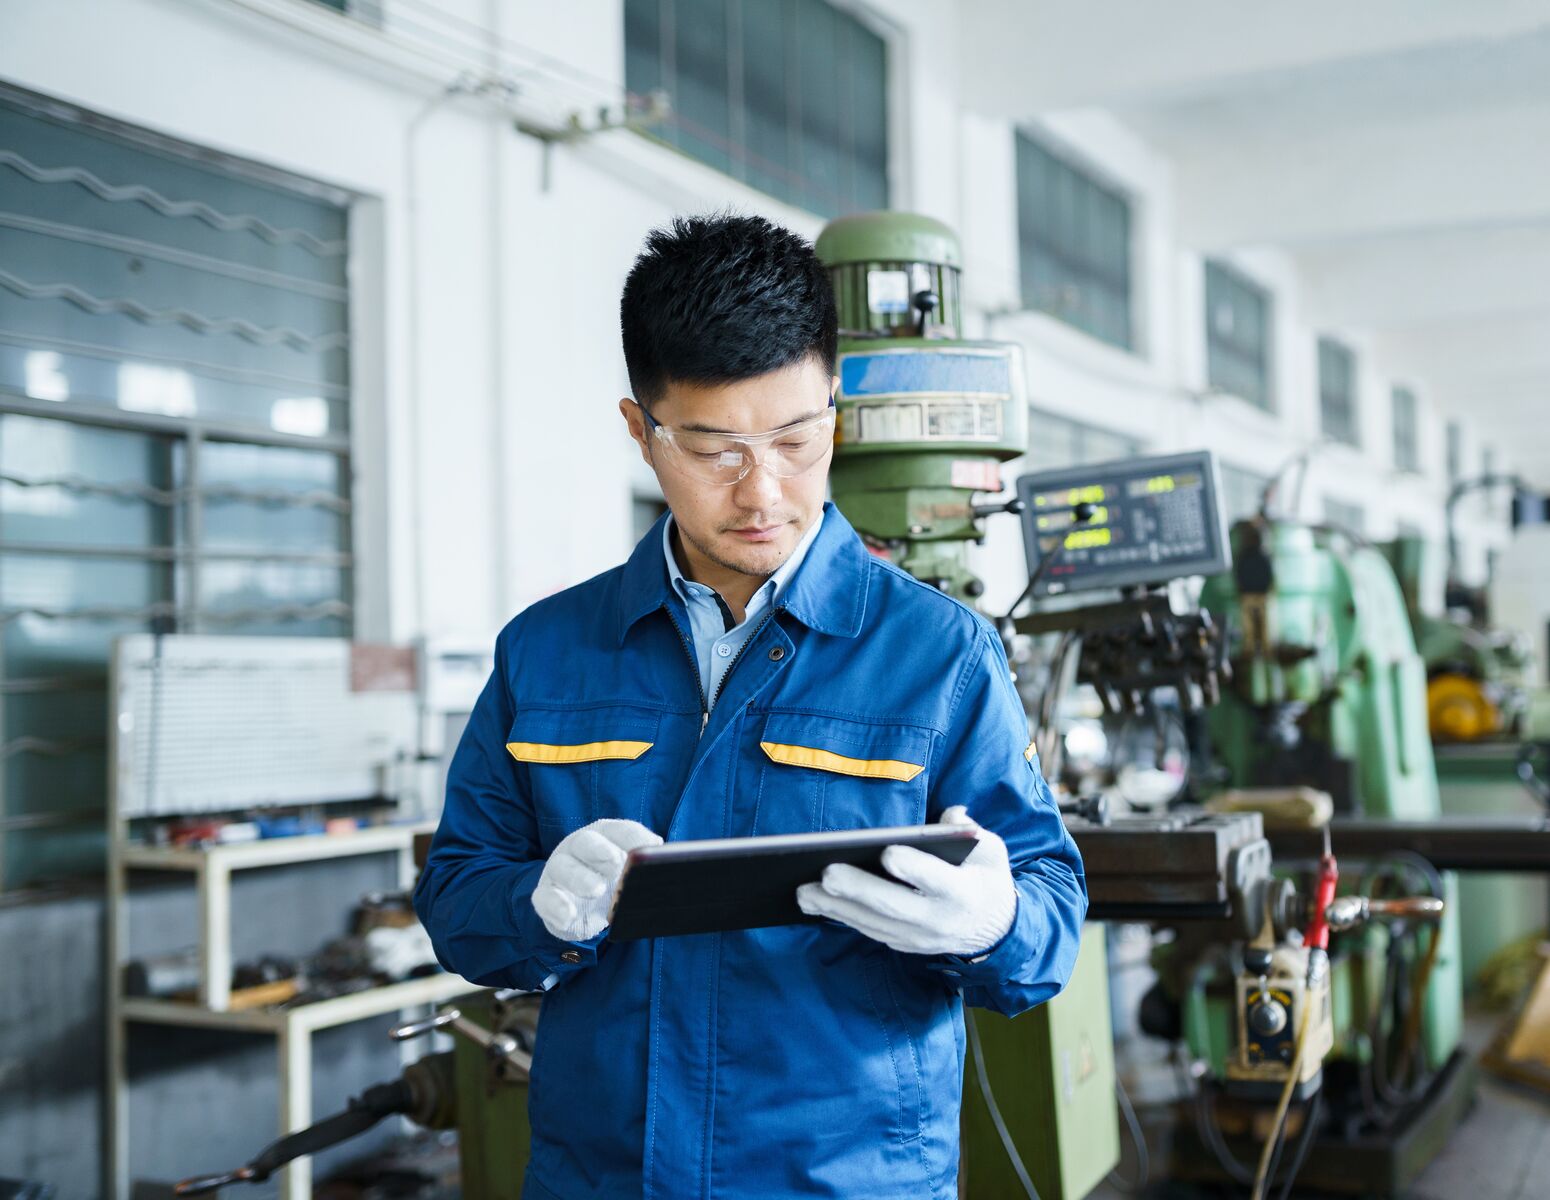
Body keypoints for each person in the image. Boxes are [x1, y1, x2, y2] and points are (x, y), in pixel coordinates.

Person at [414, 213, 1087, 1200]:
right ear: (639, 431)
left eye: (795, 439)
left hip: (847, 1179)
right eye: (714, 450)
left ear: (835, 412)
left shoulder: (939, 655)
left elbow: (1049, 925)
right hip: (603, 1177)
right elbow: (457, 901)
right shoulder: (546, 653)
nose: (762, 491)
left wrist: (993, 925)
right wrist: (537, 908)